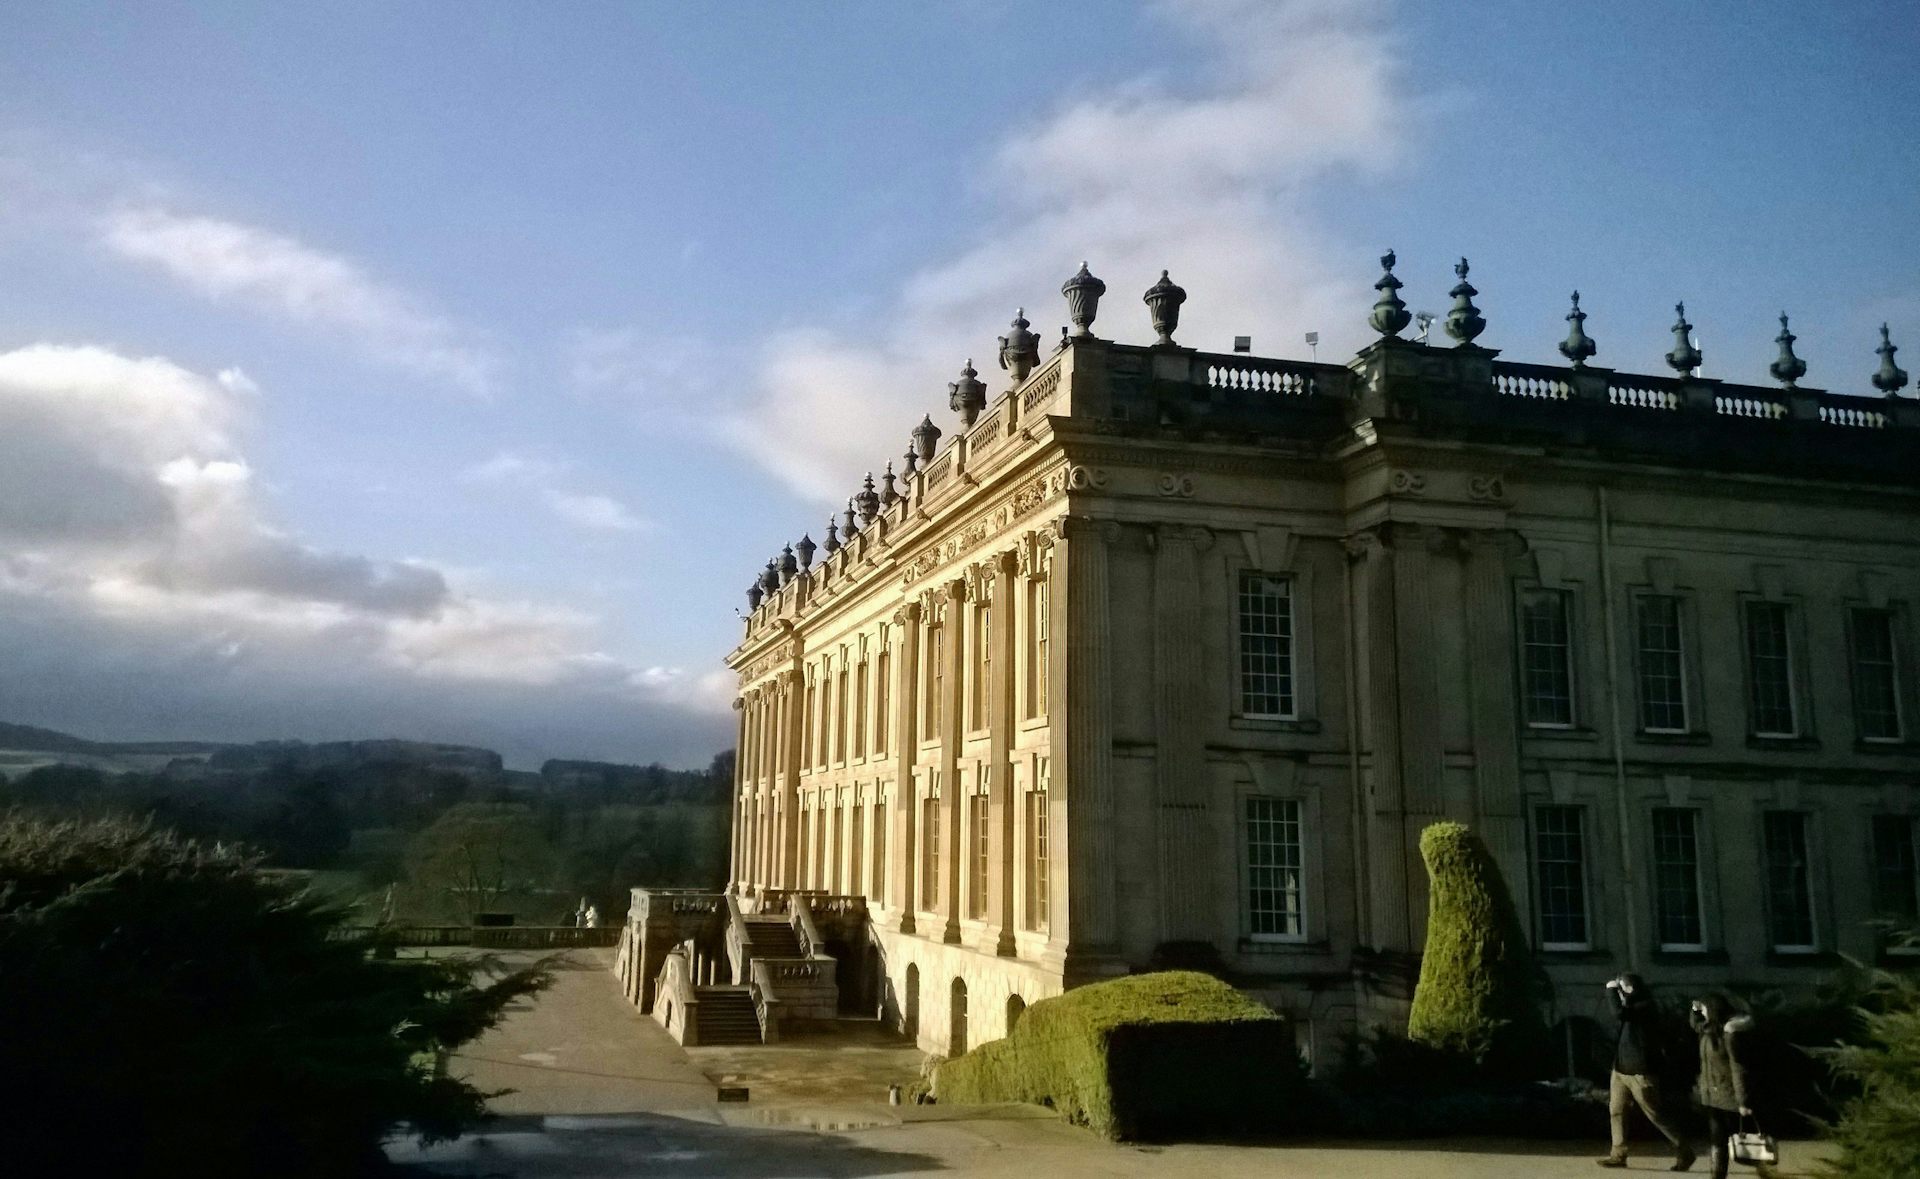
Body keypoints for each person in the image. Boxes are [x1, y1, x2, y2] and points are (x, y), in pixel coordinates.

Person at [1599, 973, 1696, 1170]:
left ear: (1631, 988)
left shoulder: (1645, 1006)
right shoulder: (1632, 1005)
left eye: (1622, 986)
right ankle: (1618, 1154)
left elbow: (1619, 1014)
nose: (1619, 990)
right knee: (1616, 1111)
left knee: (1655, 1113)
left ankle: (1684, 1149)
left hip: (1640, 1071)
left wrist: (1610, 990)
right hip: (1620, 1069)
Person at [1689, 994, 1758, 1179]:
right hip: (1712, 1092)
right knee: (1717, 1137)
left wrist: (1743, 1101)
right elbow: (1695, 1025)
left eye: (1704, 1008)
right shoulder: (1709, 1029)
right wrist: (1694, 1011)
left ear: (1713, 1010)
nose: (1702, 1012)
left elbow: (1738, 1068)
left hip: (1728, 1093)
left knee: (1739, 1137)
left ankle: (1763, 1167)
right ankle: (1717, 1175)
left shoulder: (1729, 1034)